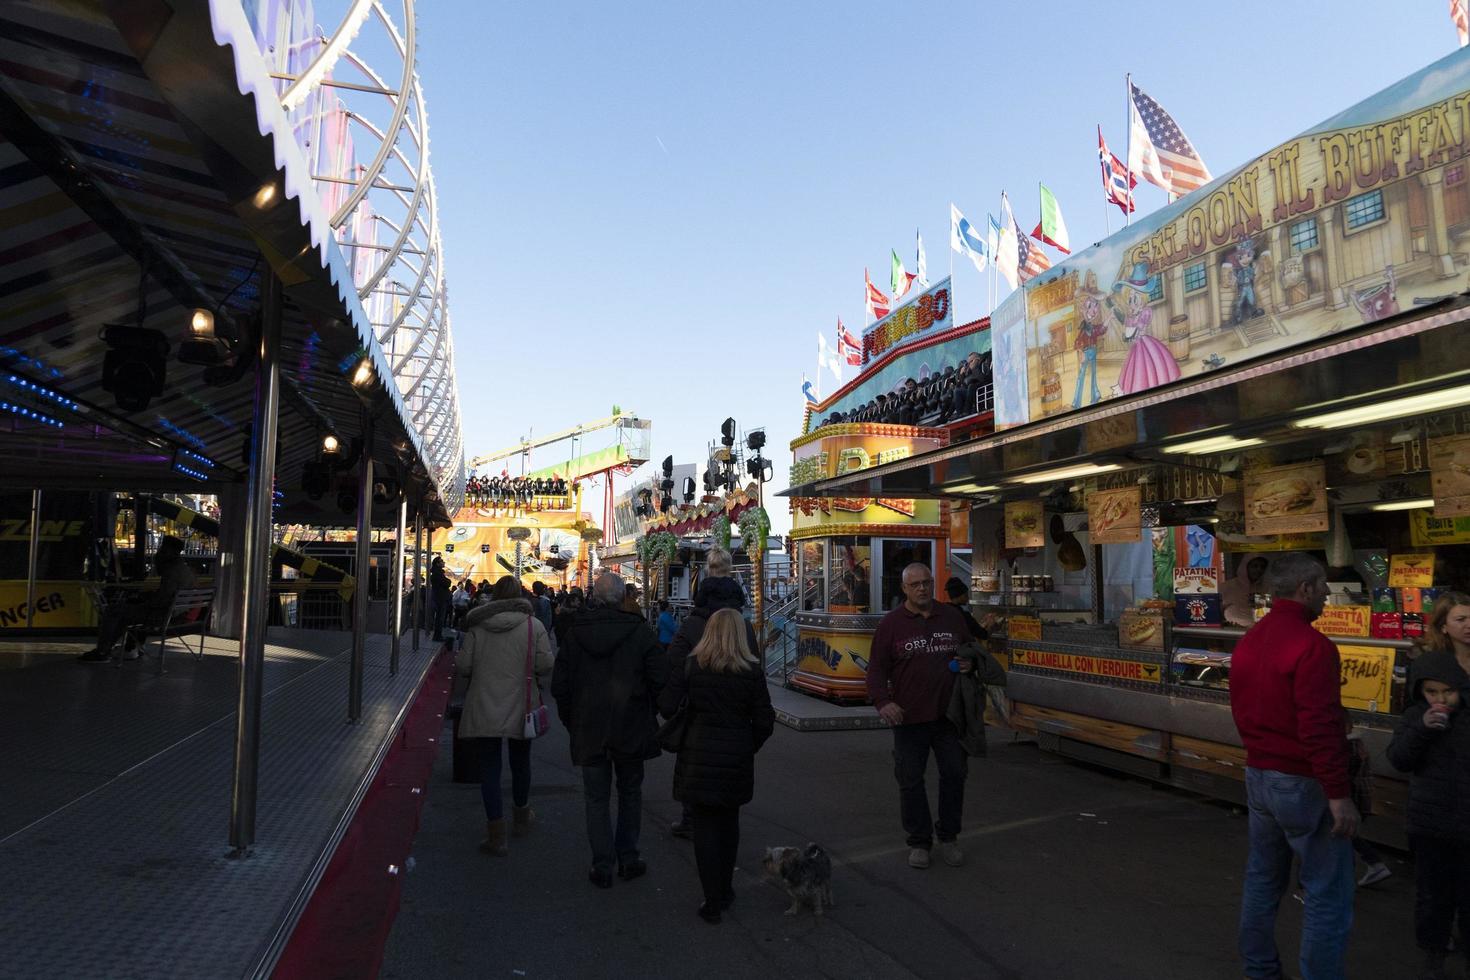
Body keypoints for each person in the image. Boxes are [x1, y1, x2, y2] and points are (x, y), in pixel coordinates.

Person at [1229, 552, 1358, 980]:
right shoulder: (1314, 646)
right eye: (1322, 587)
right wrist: (1339, 795)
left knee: (1263, 881)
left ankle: (1260, 970)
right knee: (1325, 892)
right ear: (1305, 589)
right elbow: (1318, 729)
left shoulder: (1250, 639)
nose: (1326, 595)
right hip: (1303, 783)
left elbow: (1245, 708)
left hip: (1259, 775)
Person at [658, 607, 775, 923]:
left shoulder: (693, 666)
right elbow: (765, 720)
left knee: (705, 827)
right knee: (729, 824)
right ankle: (725, 888)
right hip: (735, 758)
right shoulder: (751, 672)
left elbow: (667, 706)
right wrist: (747, 744)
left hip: (697, 756)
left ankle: (713, 899)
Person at [551, 573, 667, 888]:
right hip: (631, 725)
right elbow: (660, 679)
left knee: (596, 798)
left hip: (589, 728)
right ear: (622, 598)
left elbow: (560, 685)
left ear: (595, 598)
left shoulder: (575, 636)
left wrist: (571, 720)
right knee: (630, 792)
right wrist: (651, 712)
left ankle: (602, 864)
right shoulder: (640, 633)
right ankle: (628, 857)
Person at [865, 562, 975, 870]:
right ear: (904, 589)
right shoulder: (891, 625)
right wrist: (883, 702)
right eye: (915, 585)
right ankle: (919, 842)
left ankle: (949, 837)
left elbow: (970, 652)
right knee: (910, 781)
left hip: (949, 718)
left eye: (926, 582)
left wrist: (969, 664)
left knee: (954, 776)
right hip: (909, 719)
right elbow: (875, 670)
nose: (922, 588)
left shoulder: (952, 617)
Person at [1387, 649, 1470, 980]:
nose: (1440, 699)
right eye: (1431, 692)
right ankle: (1433, 957)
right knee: (1433, 899)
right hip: (1430, 823)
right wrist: (1422, 728)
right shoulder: (1415, 716)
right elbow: (1399, 759)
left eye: (1446, 691)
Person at [456, 576, 553, 856]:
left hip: (485, 703)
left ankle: (496, 833)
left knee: (489, 767)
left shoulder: (478, 626)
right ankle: (521, 817)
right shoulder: (533, 626)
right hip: (522, 703)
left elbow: (463, 666)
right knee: (521, 762)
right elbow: (545, 664)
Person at [665, 549, 757, 839]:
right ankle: (725, 825)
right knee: (730, 773)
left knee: (696, 766)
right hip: (736, 719)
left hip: (698, 714)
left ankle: (692, 818)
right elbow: (756, 669)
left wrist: (671, 701)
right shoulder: (743, 625)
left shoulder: (694, 623)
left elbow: (674, 662)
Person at [79, 536, 196, 663]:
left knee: (114, 610)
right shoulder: (185, 570)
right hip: (177, 614)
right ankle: (130, 647)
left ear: (169, 551)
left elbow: (160, 601)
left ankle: (102, 651)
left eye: (162, 549)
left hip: (163, 616)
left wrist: (145, 600)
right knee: (127, 610)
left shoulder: (172, 572)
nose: (159, 552)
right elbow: (167, 595)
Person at [943, 577, 989, 642]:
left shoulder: (942, 611)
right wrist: (991, 625)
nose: (968, 598)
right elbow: (983, 635)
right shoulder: (964, 616)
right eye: (966, 595)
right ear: (960, 596)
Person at [429, 556, 452, 641]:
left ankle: (438, 635)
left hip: (440, 598)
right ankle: (437, 636)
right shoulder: (437, 574)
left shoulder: (437, 573)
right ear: (437, 563)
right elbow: (447, 583)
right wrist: (448, 581)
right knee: (440, 618)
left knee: (440, 618)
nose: (443, 562)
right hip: (440, 599)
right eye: (441, 561)